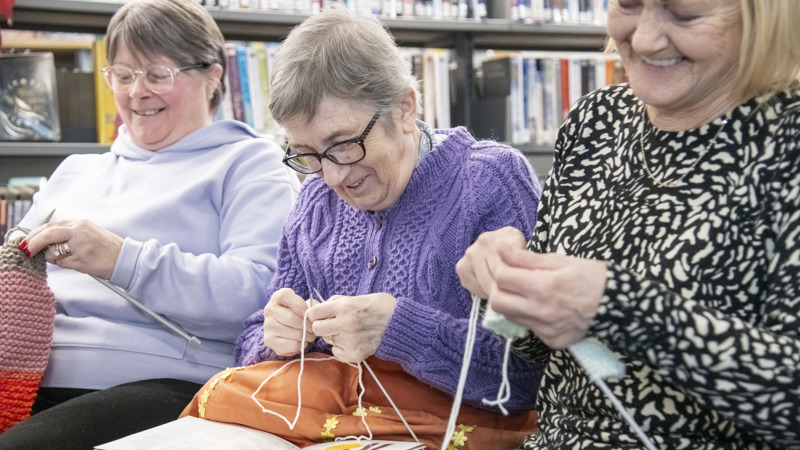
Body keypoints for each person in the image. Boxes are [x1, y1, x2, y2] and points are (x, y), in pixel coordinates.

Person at [180, 4, 545, 449]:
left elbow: (529, 377)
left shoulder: (490, 183)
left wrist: (398, 330)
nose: (332, 177)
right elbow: (252, 342)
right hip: (331, 427)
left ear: (405, 109)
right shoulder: (315, 200)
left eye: (343, 144)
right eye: (307, 154)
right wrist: (275, 336)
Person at [456, 0, 800, 448]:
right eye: (628, 5)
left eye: (686, 14)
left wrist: (618, 306)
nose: (643, 39)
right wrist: (501, 292)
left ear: (766, 18)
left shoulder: (786, 144)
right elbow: (539, 350)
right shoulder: (595, 122)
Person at [0, 0, 300, 447]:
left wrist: (121, 259)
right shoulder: (75, 171)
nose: (136, 92)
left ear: (213, 75)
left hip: (170, 381)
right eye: (122, 75)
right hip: (26, 375)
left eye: (158, 74)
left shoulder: (250, 164)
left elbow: (261, 295)